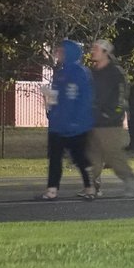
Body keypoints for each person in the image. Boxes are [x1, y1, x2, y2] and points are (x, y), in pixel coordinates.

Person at [86, 39, 134, 198]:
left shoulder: (116, 72)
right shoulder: (91, 72)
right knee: (92, 156)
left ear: (106, 53)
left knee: (113, 155)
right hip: (92, 121)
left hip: (109, 123)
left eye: (96, 48)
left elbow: (122, 98)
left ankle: (130, 180)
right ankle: (91, 186)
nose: (92, 51)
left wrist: (112, 114)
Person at [40, 39, 93, 200]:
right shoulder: (60, 74)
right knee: (55, 158)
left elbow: (85, 99)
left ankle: (89, 186)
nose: (57, 54)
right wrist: (49, 101)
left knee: (80, 158)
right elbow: (56, 99)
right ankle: (52, 189)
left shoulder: (81, 73)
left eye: (61, 51)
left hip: (76, 125)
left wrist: (79, 120)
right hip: (58, 125)